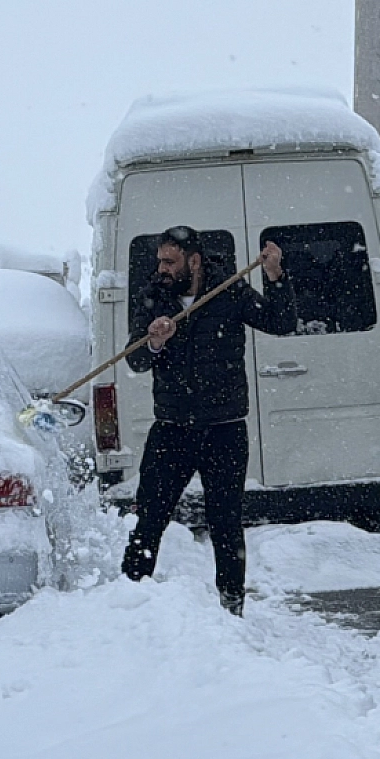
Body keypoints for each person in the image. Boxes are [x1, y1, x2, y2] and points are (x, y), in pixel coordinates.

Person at [121, 225, 296, 616]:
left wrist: (275, 278)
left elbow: (280, 322)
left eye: (170, 261)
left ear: (194, 260)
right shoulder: (154, 296)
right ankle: (129, 603)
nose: (162, 268)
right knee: (149, 518)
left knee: (226, 524)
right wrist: (154, 341)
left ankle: (231, 608)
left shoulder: (229, 290)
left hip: (224, 428)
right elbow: (135, 360)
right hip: (171, 428)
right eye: (160, 261)